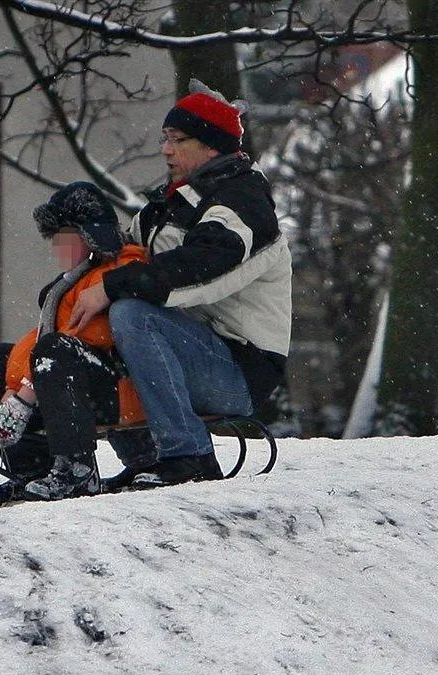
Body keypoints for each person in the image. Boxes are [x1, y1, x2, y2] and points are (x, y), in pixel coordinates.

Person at [69, 79, 292, 490]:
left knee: (132, 313)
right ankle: (141, 456)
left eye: (177, 139)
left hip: (240, 369)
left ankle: (189, 455)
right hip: (192, 349)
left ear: (212, 146)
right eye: (164, 138)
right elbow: (127, 254)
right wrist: (86, 235)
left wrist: (112, 286)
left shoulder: (244, 203)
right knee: (113, 316)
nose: (165, 149)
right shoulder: (174, 202)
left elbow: (203, 266)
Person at [0, 181, 148, 505]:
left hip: (124, 388)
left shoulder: (121, 269)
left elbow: (91, 335)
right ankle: (31, 471)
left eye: (62, 237)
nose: (55, 247)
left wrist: (24, 394)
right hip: (83, 384)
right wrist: (13, 389)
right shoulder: (75, 281)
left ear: (90, 235)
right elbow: (40, 341)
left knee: (56, 353)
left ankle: (77, 471)